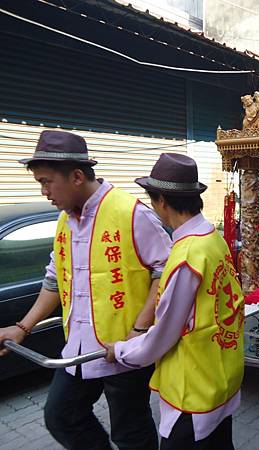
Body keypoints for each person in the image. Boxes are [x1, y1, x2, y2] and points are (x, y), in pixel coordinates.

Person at [0, 130, 171, 450]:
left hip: (124, 349)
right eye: (40, 182)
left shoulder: (130, 213)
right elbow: (54, 279)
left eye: (47, 181)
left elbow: (166, 272)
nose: (44, 192)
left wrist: (139, 328)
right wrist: (22, 327)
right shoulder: (65, 221)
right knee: (61, 415)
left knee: (131, 432)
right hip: (79, 348)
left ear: (77, 176)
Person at [105, 153, 244, 450]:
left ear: (163, 201)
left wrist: (122, 351)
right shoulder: (213, 239)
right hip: (221, 375)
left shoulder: (186, 256)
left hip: (192, 391)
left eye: (152, 201)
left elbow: (164, 333)